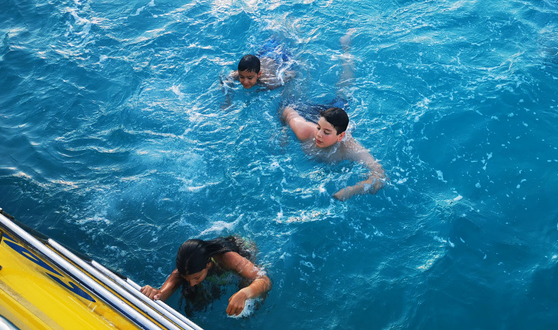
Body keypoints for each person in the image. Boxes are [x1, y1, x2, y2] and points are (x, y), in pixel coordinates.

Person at [279, 31, 386, 201]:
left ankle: (346, 48)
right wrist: (283, 132)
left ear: (340, 136)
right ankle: (300, 59)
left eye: (326, 132)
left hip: (335, 113)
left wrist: (351, 190)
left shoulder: (349, 147)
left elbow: (380, 175)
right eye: (320, 129)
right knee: (294, 95)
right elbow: (286, 111)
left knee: (344, 89)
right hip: (310, 115)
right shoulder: (306, 131)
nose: (319, 135)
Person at [140, 237, 271, 317]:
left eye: (196, 278)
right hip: (207, 258)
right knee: (195, 300)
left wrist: (244, 293)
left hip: (243, 247)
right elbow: (168, 287)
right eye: (188, 278)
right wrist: (157, 293)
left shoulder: (229, 259)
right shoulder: (188, 266)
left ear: (208, 264)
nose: (192, 283)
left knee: (249, 292)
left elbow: (264, 280)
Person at [221, 38, 297, 107]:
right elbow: (224, 78)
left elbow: (292, 75)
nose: (245, 81)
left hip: (279, 56)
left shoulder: (270, 82)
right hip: (264, 52)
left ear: (259, 74)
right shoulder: (238, 74)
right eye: (242, 77)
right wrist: (228, 99)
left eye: (250, 78)